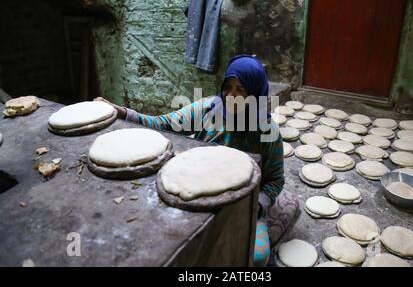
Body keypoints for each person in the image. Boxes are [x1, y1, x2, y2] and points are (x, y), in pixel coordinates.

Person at [95, 55, 285, 266]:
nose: (230, 96)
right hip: (197, 186)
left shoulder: (267, 132)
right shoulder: (206, 110)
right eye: (227, 87)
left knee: (257, 258)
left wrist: (255, 205)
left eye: (240, 90)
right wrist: (123, 113)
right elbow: (163, 124)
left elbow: (275, 180)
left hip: (242, 201)